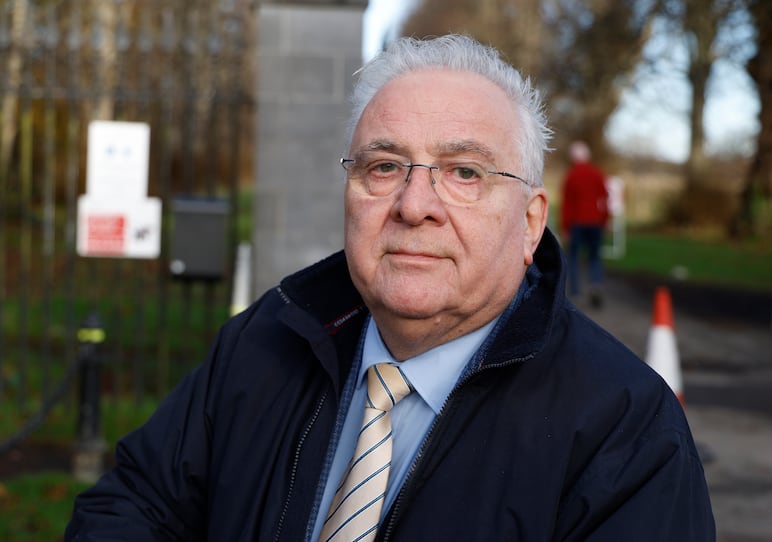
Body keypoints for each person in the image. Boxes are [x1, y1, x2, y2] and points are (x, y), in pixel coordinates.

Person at [66, 35, 715, 541]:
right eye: (384, 166)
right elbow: (132, 507)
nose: (414, 204)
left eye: (463, 172)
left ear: (530, 221)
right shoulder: (266, 338)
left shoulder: (626, 429)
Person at [560, 141, 610, 308]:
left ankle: (576, 293)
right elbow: (604, 198)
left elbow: (566, 204)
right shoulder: (597, 173)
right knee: (594, 256)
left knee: (573, 257)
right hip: (595, 221)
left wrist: (565, 227)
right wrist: (605, 220)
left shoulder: (571, 175)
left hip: (576, 223)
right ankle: (595, 284)